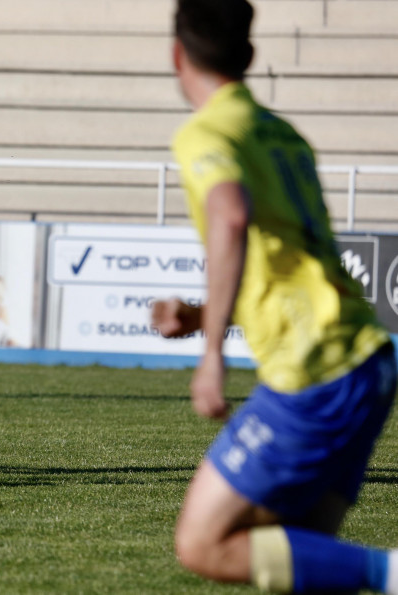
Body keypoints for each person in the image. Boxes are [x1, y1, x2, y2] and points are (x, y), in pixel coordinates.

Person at [151, 1, 398, 592]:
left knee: (202, 541)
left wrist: (212, 352)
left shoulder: (205, 133)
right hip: (367, 359)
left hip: (315, 371)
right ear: (251, 55)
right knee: (302, 561)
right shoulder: (284, 135)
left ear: (177, 54)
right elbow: (287, 264)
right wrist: (208, 313)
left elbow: (230, 216)